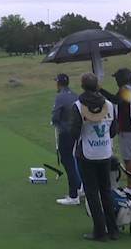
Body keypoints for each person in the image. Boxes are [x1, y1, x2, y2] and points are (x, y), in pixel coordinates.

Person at [70, 72, 119, 241]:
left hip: (87, 154)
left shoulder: (78, 106)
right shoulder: (109, 105)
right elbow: (113, 131)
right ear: (97, 86)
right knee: (106, 191)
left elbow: (74, 133)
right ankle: (113, 230)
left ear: (82, 86)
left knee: (92, 193)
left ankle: (99, 232)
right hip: (105, 153)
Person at [99, 68, 131, 191]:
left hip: (128, 129)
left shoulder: (125, 90)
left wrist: (100, 90)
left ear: (121, 79)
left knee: (128, 160)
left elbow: (116, 100)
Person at [50, 73, 82, 205]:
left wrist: (55, 122)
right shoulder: (75, 95)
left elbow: (55, 116)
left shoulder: (60, 97)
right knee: (74, 160)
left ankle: (73, 195)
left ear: (58, 83)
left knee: (67, 161)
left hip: (66, 133)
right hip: (77, 133)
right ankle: (79, 187)